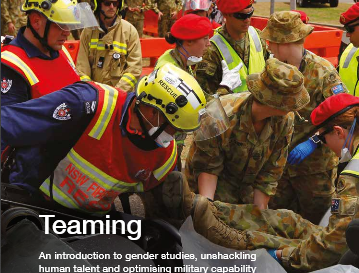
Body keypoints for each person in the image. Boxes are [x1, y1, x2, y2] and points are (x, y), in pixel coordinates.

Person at [186, 93, 359, 273]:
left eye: (321, 139)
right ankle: (213, 211)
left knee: (293, 244)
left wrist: (282, 256)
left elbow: (333, 246)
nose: (323, 145)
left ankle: (237, 236)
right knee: (290, 220)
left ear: (339, 132)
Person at [1, 64, 207, 226]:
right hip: (33, 204)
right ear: (154, 112)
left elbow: (163, 209)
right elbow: (9, 122)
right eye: (175, 128)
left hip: (90, 223)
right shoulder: (88, 104)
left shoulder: (165, 154)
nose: (177, 137)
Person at [185, 59, 310, 209]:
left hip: (245, 193)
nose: (294, 107)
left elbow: (269, 174)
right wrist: (206, 211)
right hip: (207, 191)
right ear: (276, 103)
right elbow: (207, 169)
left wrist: (259, 217)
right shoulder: (219, 115)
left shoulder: (285, 120)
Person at [262, 11, 348, 224]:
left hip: (315, 169)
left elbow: (343, 114)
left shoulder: (322, 72)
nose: (269, 47)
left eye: (272, 41)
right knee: (277, 221)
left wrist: (315, 140)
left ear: (284, 41)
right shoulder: (274, 69)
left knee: (316, 222)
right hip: (280, 165)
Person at [1, 0, 96, 107]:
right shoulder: (11, 66)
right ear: (36, 21)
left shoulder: (61, 50)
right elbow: (11, 122)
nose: (67, 33)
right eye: (61, 25)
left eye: (70, 25)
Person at [155, 14, 213, 170]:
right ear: (188, 42)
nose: (209, 44)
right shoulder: (169, 70)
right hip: (165, 143)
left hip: (174, 139)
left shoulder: (179, 61)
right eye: (205, 39)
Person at [195, 0, 269, 95]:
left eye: (250, 13)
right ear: (226, 15)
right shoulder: (211, 51)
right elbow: (206, 98)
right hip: (230, 110)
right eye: (241, 16)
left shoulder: (257, 36)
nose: (247, 20)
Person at [76, 0, 142, 93]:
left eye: (115, 3)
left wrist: (116, 93)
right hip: (95, 97)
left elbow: (134, 69)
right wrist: (91, 92)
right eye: (107, 3)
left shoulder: (129, 31)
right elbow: (82, 68)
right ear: (96, 3)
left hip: (120, 97)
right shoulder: (88, 32)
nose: (112, 7)